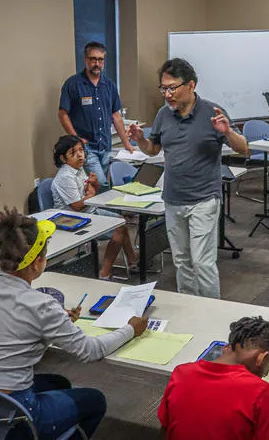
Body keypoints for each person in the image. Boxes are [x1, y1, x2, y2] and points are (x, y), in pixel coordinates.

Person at [0, 208, 148, 439]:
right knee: (96, 400)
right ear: (36, 263)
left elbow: (10, 323)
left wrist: (54, 321)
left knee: (58, 382)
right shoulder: (41, 306)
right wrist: (131, 329)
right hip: (13, 412)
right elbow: (92, 351)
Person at [127, 58, 249, 298]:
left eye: (173, 88)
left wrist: (228, 132)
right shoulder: (163, 114)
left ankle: (212, 311)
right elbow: (154, 150)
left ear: (191, 86)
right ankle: (189, 308)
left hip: (203, 199)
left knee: (202, 263)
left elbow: (243, 148)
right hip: (173, 199)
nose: (167, 94)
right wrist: (140, 139)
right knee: (181, 261)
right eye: (163, 88)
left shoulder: (213, 112)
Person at [158, 316, 269, 440]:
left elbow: (165, 426)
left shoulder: (181, 373)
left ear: (227, 347)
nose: (262, 376)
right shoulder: (260, 392)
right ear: (261, 359)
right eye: (264, 372)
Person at [51, 135, 138, 280]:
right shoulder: (66, 176)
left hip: (88, 211)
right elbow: (78, 205)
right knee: (119, 228)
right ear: (63, 158)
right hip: (72, 219)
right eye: (73, 152)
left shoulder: (78, 169)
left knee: (121, 221)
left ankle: (132, 261)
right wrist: (91, 193)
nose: (80, 155)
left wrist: (95, 184)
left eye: (81, 150)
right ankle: (104, 272)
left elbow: (89, 194)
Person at [58, 41, 134, 190]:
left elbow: (116, 116)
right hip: (86, 147)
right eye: (93, 59)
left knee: (96, 184)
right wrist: (76, 138)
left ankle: (97, 211)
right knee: (102, 184)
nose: (97, 63)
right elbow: (62, 114)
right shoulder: (73, 84)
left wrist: (126, 143)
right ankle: (108, 213)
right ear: (86, 60)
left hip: (105, 145)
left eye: (100, 60)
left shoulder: (109, 85)